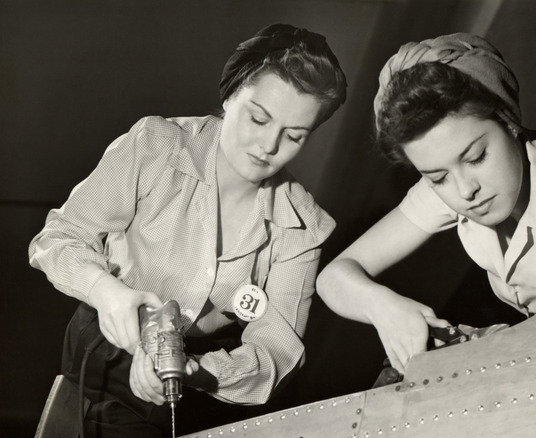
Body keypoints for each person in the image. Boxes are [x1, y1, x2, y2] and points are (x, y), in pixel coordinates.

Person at [28, 23, 346, 437]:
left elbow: (277, 350)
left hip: (205, 378)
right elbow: (58, 239)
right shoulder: (156, 147)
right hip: (109, 352)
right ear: (231, 95)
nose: (269, 145)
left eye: (294, 135)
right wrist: (107, 292)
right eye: (258, 118)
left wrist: (198, 372)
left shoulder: (304, 225)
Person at [316, 33, 536, 376]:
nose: (465, 190)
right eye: (437, 178)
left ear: (509, 122)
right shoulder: (455, 178)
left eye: (478, 156)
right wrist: (386, 309)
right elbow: (335, 276)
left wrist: (495, 349)